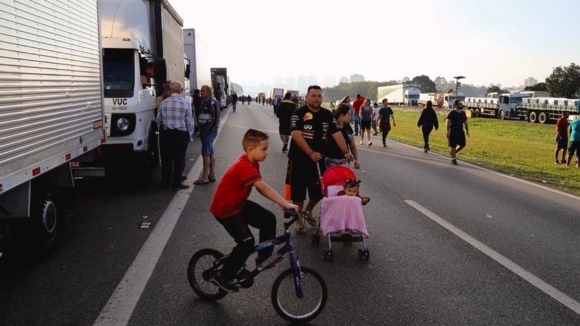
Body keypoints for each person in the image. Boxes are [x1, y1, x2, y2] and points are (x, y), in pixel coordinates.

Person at [208, 129, 299, 292]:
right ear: (250, 150)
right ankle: (222, 276)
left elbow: (259, 186)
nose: (267, 152)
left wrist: (281, 203)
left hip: (238, 204)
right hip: (225, 210)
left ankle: (263, 258)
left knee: (268, 219)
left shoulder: (253, 162)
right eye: (264, 149)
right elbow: (262, 188)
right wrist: (285, 203)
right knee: (246, 242)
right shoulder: (243, 166)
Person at [286, 85, 353, 234]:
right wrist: (310, 153)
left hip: (318, 160)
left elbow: (337, 134)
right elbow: (297, 135)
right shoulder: (298, 113)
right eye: (313, 96)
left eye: (319, 96)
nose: (316, 98)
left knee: (320, 192)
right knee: (298, 193)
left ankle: (308, 211)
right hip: (298, 159)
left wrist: (345, 152)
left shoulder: (327, 115)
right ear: (307, 97)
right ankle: (298, 221)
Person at [155, 81, 194, 190]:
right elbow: (189, 122)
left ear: (170, 90)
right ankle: (176, 183)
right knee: (179, 158)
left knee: (166, 159)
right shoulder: (185, 103)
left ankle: (165, 182)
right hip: (180, 135)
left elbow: (158, 120)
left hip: (166, 134)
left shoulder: (163, 103)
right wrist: (190, 136)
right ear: (181, 90)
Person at [194, 84, 220, 184]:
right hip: (205, 131)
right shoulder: (204, 101)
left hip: (208, 131)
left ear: (209, 92)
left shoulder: (212, 102)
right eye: (201, 91)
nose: (201, 92)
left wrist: (208, 129)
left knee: (205, 153)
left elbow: (215, 117)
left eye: (203, 91)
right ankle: (212, 174)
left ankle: (205, 177)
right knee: (210, 152)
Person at [325, 104, 360, 169]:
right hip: (330, 160)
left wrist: (357, 160)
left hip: (344, 160)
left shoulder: (348, 128)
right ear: (342, 115)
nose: (350, 117)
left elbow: (352, 145)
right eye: (348, 114)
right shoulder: (331, 127)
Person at [446, 99, 470, 165]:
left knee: (462, 144)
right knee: (453, 145)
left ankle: (453, 153)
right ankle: (453, 159)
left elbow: (465, 122)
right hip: (453, 131)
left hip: (460, 131)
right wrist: (447, 131)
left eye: (461, 104)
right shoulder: (452, 113)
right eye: (459, 104)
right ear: (456, 106)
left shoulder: (463, 113)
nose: (461, 105)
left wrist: (467, 130)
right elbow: (448, 122)